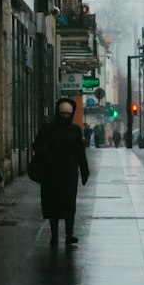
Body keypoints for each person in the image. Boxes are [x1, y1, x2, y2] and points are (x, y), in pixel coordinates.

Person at [31, 97, 89, 246]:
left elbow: (80, 152)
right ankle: (54, 236)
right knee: (53, 206)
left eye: (67, 114)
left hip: (69, 174)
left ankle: (69, 234)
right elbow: (36, 145)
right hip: (51, 173)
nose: (65, 117)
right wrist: (46, 153)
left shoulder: (75, 130)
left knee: (69, 205)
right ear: (58, 112)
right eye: (62, 113)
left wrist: (84, 170)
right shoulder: (47, 129)